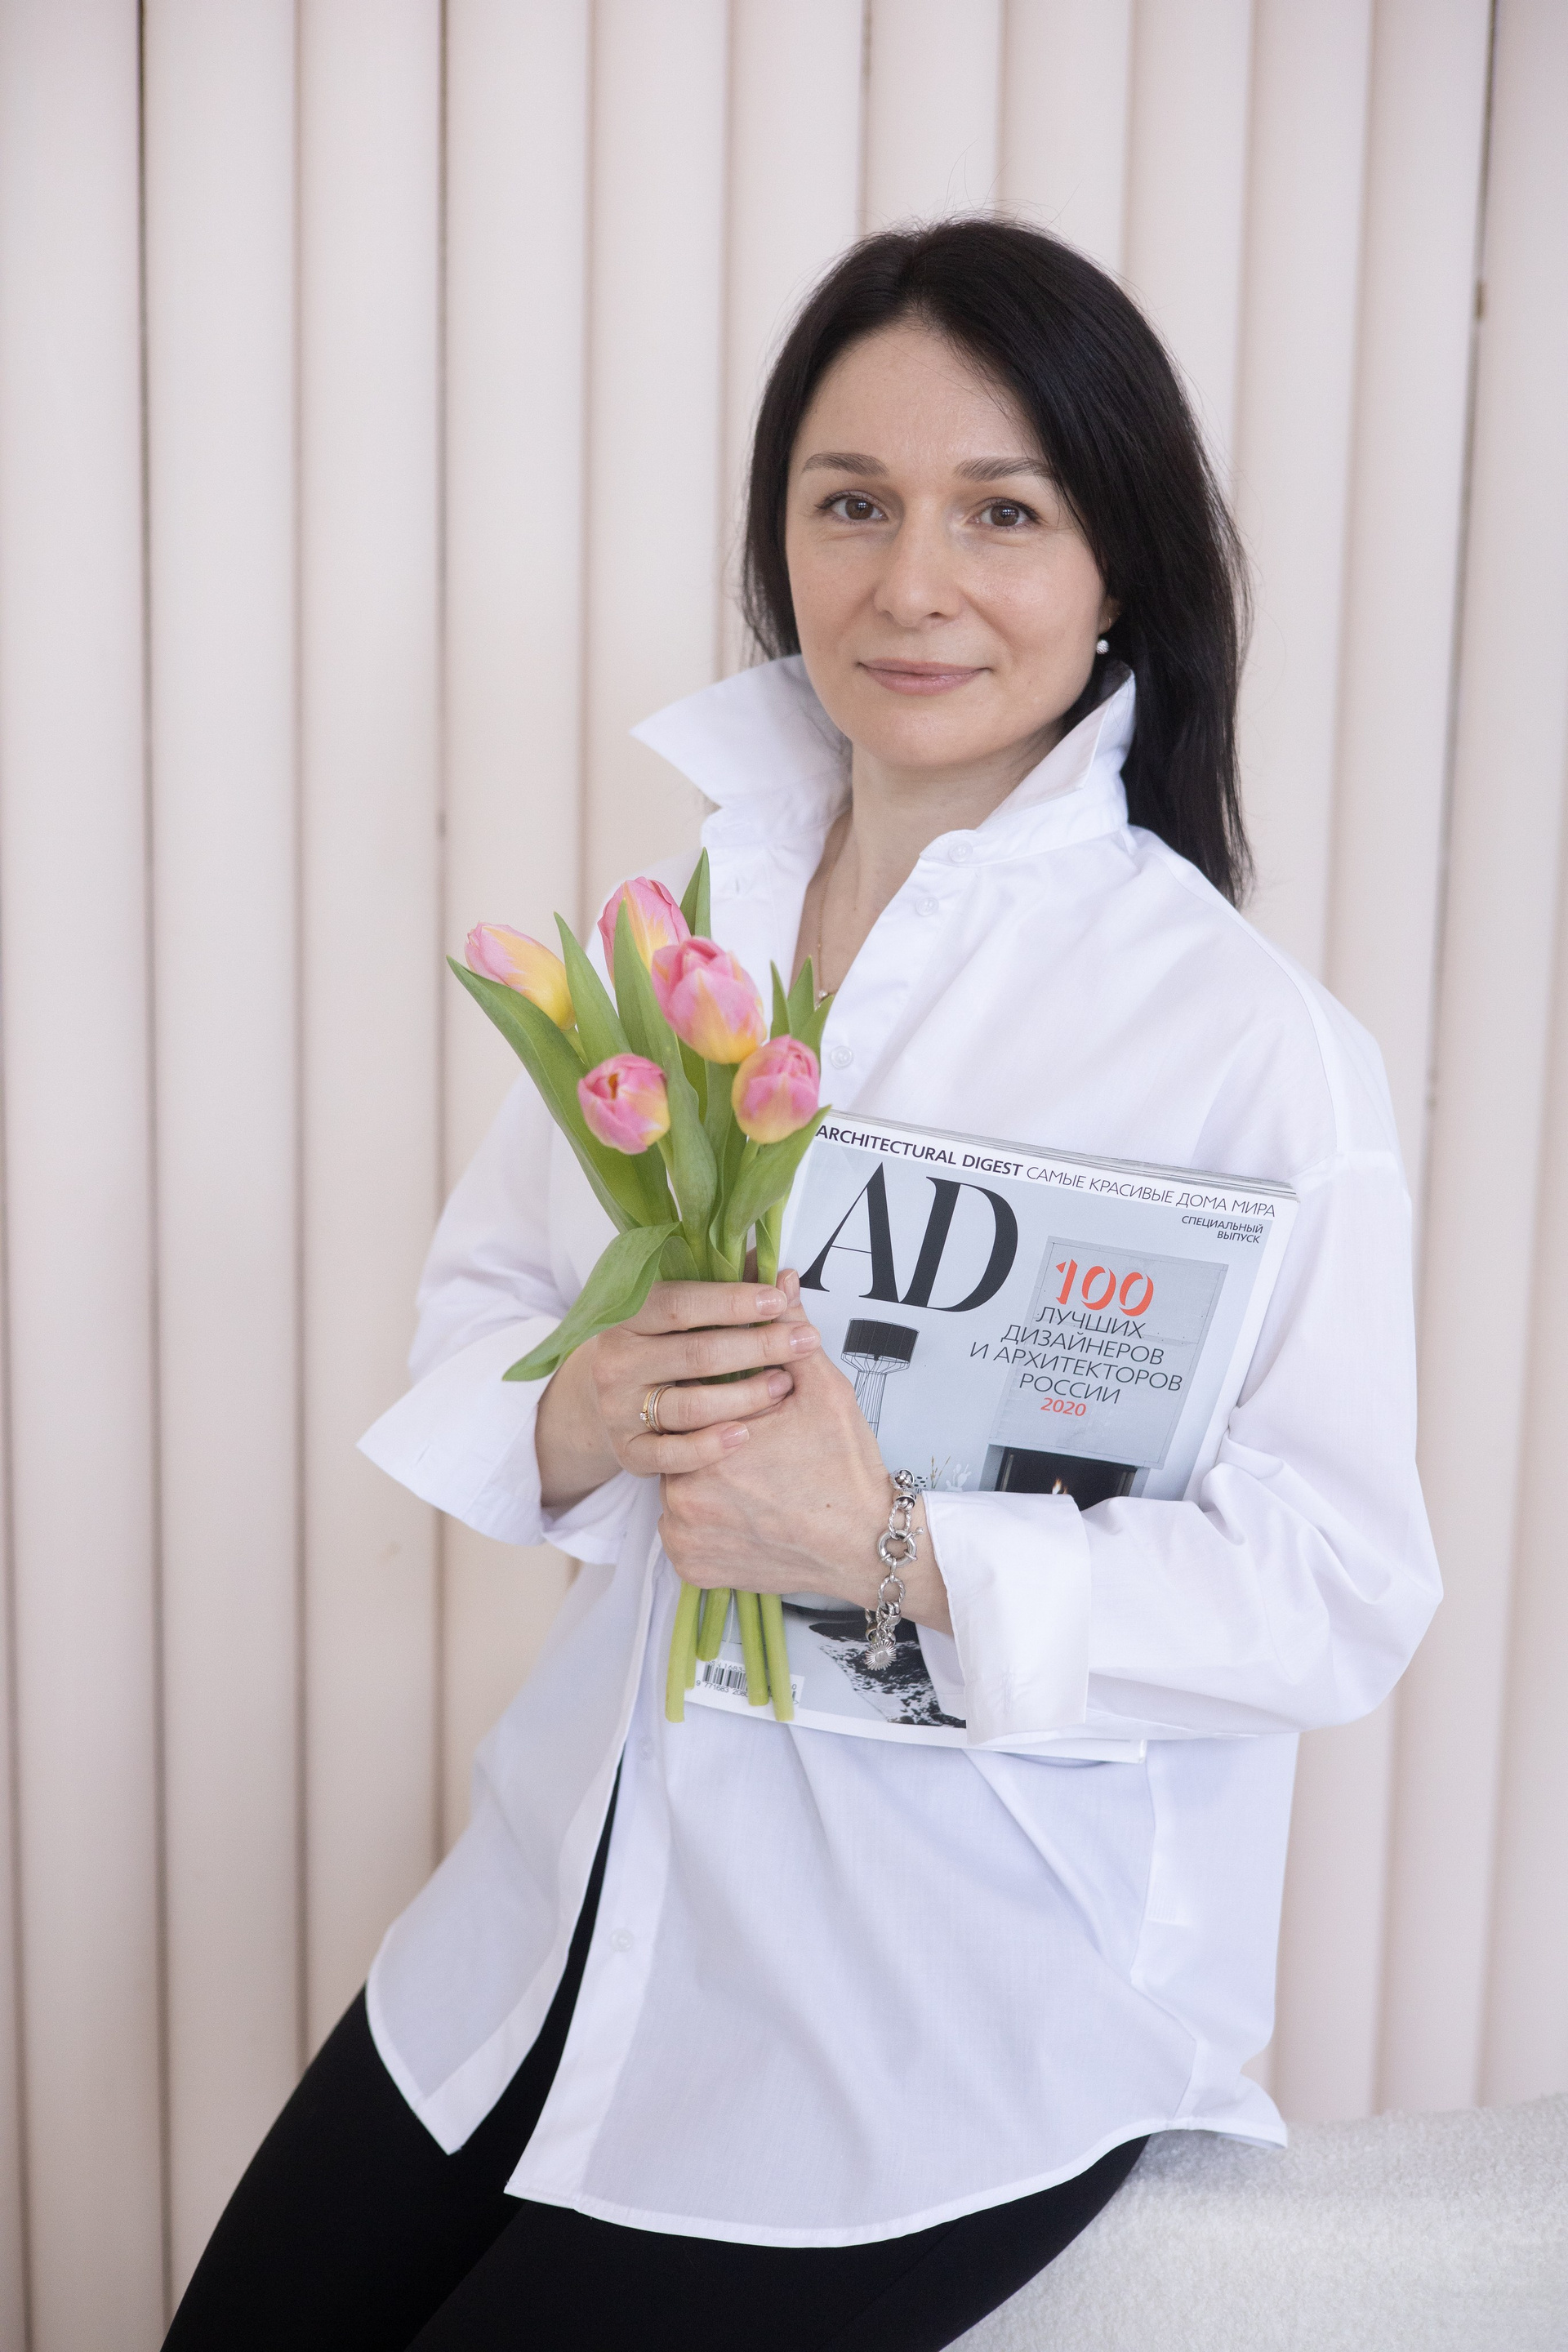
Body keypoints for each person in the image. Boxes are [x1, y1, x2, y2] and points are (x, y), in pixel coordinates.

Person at [166, 217, 1440, 2350]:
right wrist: (581, 1410)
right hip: (550, 1912)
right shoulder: (694, 921)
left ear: (1119, 567)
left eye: (1002, 514)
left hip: (929, 2030)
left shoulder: (1247, 1050)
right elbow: (490, 1309)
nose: (911, 583)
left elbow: (1336, 1587)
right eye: (852, 504)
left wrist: (891, 1547)